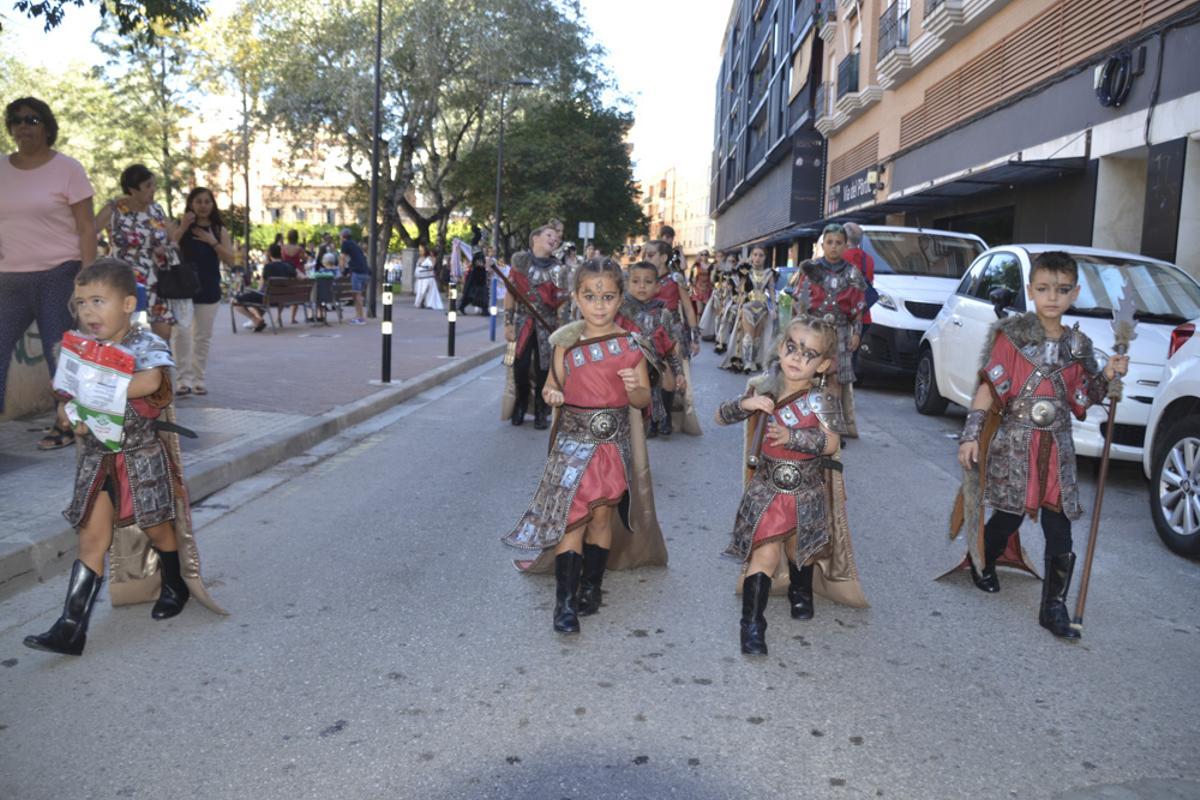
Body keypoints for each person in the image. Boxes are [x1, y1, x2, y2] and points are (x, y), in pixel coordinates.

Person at [23, 259, 224, 657]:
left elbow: (151, 382)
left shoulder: (146, 344)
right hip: (97, 461)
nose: (88, 311)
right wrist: (70, 413)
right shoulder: (77, 350)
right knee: (91, 539)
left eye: (99, 300)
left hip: (140, 458)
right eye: (81, 303)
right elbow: (70, 412)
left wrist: (94, 385)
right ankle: (70, 628)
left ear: (128, 303)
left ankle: (174, 585)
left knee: (158, 529)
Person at [951, 251, 1129, 641]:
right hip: (1016, 442)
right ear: (1031, 291)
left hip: (1058, 447)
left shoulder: (1080, 346)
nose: (1053, 297)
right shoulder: (1012, 338)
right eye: (1045, 289)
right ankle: (984, 561)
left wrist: (1110, 377)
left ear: (1075, 293)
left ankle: (1053, 608)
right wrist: (970, 434)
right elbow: (989, 387)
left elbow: (1085, 396)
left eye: (1062, 290)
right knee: (1010, 515)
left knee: (1059, 523)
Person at [502, 258, 667, 633]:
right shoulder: (566, 343)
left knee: (601, 519)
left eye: (607, 296)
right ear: (577, 297)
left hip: (611, 448)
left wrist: (634, 388)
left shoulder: (631, 345)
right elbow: (551, 386)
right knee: (571, 522)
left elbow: (642, 401)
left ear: (620, 299)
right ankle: (564, 604)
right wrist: (551, 394)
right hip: (572, 447)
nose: (599, 304)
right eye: (590, 296)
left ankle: (591, 586)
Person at [715, 315, 867, 656]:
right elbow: (720, 417)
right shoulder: (762, 387)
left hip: (807, 491)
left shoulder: (824, 399)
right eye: (791, 348)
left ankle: (802, 591)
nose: (797, 358)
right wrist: (745, 404)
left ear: (824, 364)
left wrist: (792, 437)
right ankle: (752, 625)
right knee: (765, 555)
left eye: (809, 353)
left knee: (801, 549)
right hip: (767, 489)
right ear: (780, 347)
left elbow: (830, 443)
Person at [0, 96, 96, 450]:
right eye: (16, 120)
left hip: (60, 271)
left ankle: (66, 421)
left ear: (47, 126)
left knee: (61, 351)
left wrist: (85, 282)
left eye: (32, 119)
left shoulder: (68, 168)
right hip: (8, 277)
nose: (24, 126)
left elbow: (87, 228)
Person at [788, 224, 867, 437]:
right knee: (805, 376)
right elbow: (798, 304)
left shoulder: (853, 274)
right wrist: (796, 333)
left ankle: (830, 430)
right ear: (822, 245)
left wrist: (856, 333)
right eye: (829, 242)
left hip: (840, 333)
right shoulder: (810, 270)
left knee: (835, 380)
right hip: (813, 331)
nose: (834, 247)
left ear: (845, 245)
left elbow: (858, 309)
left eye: (838, 243)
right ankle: (801, 422)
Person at [171, 187, 235, 396]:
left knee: (202, 336)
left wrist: (211, 241)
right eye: (198, 201)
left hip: (209, 289)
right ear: (191, 203)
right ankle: (182, 380)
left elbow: (230, 259)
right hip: (182, 288)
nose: (203, 206)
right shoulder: (182, 227)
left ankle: (198, 379)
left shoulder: (218, 230)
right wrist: (183, 227)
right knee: (181, 334)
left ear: (213, 205)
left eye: (207, 201)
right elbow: (169, 247)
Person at [503, 225, 567, 429]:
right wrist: (507, 322)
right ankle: (520, 404)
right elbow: (511, 294)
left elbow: (562, 301)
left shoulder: (558, 269)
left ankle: (541, 409)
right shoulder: (521, 263)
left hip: (547, 323)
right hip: (523, 322)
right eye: (549, 235)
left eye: (556, 238)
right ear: (535, 238)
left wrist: (563, 328)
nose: (554, 239)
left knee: (544, 369)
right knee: (520, 367)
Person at [642, 239, 703, 435]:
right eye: (645, 254)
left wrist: (695, 337)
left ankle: (666, 417)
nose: (646, 258)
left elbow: (687, 308)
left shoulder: (676, 279)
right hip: (648, 331)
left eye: (650, 254)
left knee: (667, 374)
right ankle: (652, 419)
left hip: (672, 333)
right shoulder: (643, 278)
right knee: (650, 375)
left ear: (664, 257)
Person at [617, 261, 684, 438]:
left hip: (655, 364)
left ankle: (660, 419)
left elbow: (670, 347)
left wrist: (679, 372)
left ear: (657, 286)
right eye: (636, 281)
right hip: (627, 366)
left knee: (663, 381)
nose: (641, 286)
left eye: (647, 282)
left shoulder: (663, 313)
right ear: (627, 284)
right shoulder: (620, 310)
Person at [721, 245, 777, 374]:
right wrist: (741, 273)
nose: (757, 258)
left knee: (757, 337)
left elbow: (772, 291)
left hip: (762, 309)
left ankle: (753, 360)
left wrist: (774, 307)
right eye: (755, 255)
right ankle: (747, 363)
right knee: (748, 336)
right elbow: (739, 289)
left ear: (765, 258)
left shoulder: (769, 273)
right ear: (751, 257)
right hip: (747, 307)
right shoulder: (745, 271)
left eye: (761, 255)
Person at [234, 243, 296, 331]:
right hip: (283, 298)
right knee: (259, 298)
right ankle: (257, 320)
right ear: (281, 253)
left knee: (236, 301)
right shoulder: (289, 266)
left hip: (268, 298)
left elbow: (261, 286)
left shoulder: (268, 267)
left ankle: (255, 320)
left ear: (269, 254)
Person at [338, 228, 370, 324]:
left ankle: (360, 318)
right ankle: (358, 316)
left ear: (342, 236)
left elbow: (342, 258)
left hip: (357, 272)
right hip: (365, 272)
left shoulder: (345, 243)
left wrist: (341, 270)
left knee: (357, 295)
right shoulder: (355, 244)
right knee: (357, 294)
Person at [413, 243, 444, 310]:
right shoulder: (420, 258)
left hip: (428, 278)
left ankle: (430, 304)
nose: (420, 252)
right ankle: (421, 302)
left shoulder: (429, 259)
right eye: (420, 250)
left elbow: (431, 267)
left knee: (427, 291)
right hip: (421, 278)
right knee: (421, 292)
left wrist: (424, 268)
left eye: (422, 250)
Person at [459, 250, 490, 314]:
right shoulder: (478, 254)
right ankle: (461, 307)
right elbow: (478, 263)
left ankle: (484, 310)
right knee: (470, 295)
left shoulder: (479, 254)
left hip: (479, 278)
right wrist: (481, 265)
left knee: (481, 295)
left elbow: (479, 264)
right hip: (476, 278)